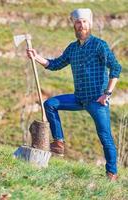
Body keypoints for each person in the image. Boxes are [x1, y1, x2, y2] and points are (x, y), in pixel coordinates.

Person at [27, 8, 122, 181]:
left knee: (105, 137)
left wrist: (107, 94)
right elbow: (55, 64)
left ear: (89, 24)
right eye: (78, 22)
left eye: (84, 22)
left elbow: (116, 68)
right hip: (78, 98)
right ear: (74, 25)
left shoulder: (99, 45)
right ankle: (59, 142)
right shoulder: (72, 49)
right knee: (50, 104)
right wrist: (37, 57)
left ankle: (111, 174)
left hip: (97, 100)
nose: (81, 25)